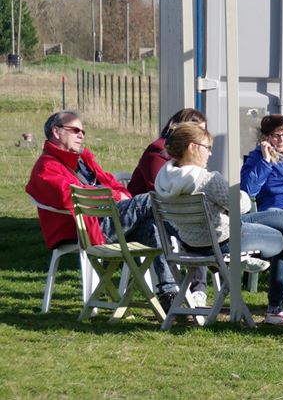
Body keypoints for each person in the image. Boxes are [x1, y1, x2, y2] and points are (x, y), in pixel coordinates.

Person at [26, 110, 179, 307]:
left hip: (106, 221)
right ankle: (198, 243)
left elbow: (111, 184)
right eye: (75, 130)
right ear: (56, 131)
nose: (81, 135)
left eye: (83, 132)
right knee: (151, 200)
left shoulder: (83, 160)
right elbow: (72, 196)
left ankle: (168, 293)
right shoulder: (47, 166)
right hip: (86, 229)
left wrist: (115, 194)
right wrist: (115, 196)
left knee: (152, 227)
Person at [153, 123, 283, 326]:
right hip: (224, 240)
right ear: (192, 147)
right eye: (207, 148)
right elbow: (243, 204)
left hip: (192, 241)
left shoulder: (163, 179)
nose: (210, 153)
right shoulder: (207, 179)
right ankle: (279, 304)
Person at [128, 107, 209, 305]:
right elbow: (160, 191)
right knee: (196, 227)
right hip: (147, 219)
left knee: (199, 224)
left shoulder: (186, 156)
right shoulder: (158, 152)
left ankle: (195, 289)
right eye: (197, 134)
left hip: (169, 214)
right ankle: (192, 289)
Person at [240, 114, 283, 295]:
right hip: (272, 210)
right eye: (275, 135)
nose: (280, 139)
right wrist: (265, 161)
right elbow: (248, 191)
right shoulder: (256, 158)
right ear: (266, 138)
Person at [128, 108, 207, 197]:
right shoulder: (158, 149)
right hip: (143, 207)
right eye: (199, 131)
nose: (202, 136)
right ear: (184, 130)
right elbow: (160, 191)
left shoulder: (187, 152)